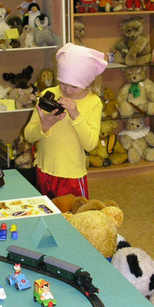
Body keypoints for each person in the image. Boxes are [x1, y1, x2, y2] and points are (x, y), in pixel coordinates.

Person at [24, 42, 107, 199]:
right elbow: (29, 136)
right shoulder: (48, 94)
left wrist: (76, 115)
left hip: (72, 176)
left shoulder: (93, 102)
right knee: (46, 213)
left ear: (88, 82)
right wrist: (44, 125)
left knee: (73, 214)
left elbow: (90, 144)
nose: (67, 90)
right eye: (62, 83)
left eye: (74, 86)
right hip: (44, 171)